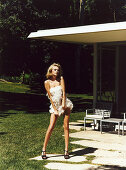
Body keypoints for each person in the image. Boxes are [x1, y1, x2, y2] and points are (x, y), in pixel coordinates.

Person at [42, 63, 73, 159]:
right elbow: (50, 97)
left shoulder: (61, 79)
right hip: (55, 106)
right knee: (51, 127)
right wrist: (55, 109)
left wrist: (63, 104)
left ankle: (66, 151)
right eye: (55, 69)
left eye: (58, 70)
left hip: (64, 104)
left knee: (66, 127)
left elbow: (64, 93)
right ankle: (44, 150)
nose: (56, 71)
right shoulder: (47, 82)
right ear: (51, 70)